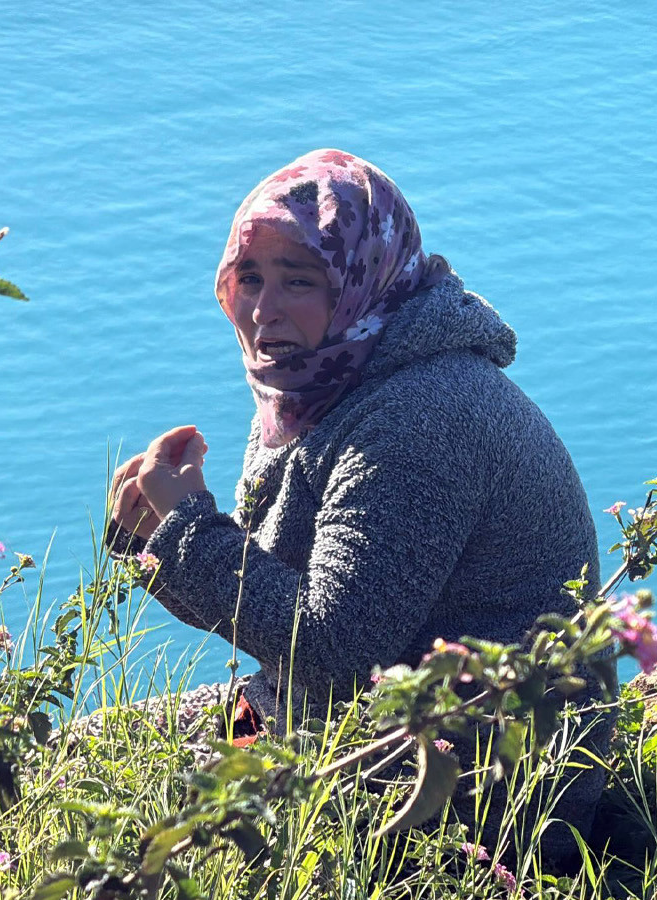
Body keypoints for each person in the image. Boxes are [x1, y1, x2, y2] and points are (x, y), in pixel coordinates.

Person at [106, 148, 608, 861]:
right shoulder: (316, 386)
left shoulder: (423, 417)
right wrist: (153, 535)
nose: (263, 309)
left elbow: (335, 645)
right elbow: (276, 615)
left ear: (358, 281)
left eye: (299, 280)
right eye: (249, 276)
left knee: (153, 805)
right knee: (129, 764)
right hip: (362, 721)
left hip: (478, 789)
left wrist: (191, 532)